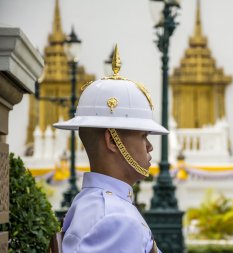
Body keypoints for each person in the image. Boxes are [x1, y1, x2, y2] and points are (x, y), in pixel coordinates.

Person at [53, 45, 166, 253]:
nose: (149, 146)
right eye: (143, 136)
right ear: (112, 141)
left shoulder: (93, 204)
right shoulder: (116, 219)